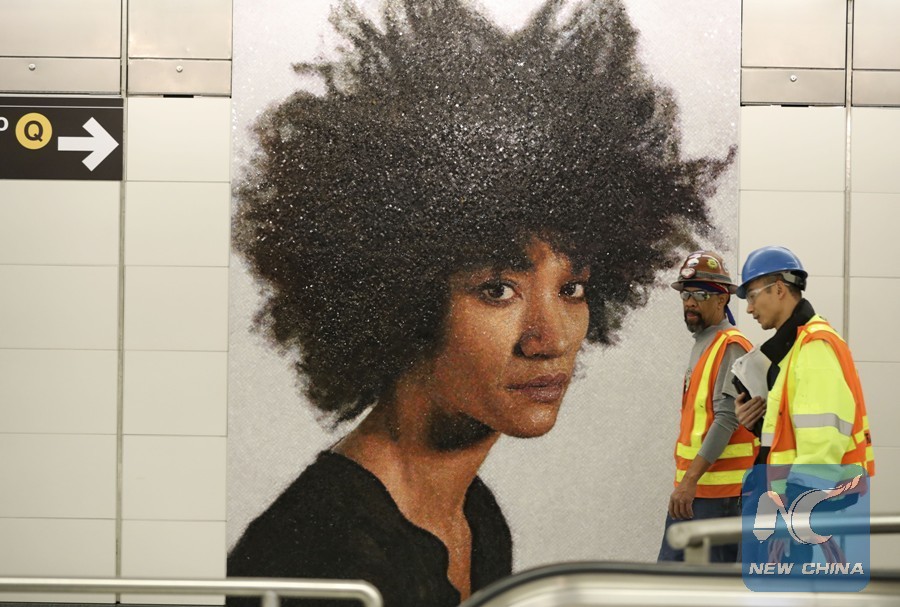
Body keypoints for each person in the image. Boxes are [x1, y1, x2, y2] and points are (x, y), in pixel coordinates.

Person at [228, 0, 733, 605]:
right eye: (498, 290)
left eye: (571, 288)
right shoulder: (319, 555)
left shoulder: (474, 518)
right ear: (399, 303)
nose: (549, 339)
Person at [734, 246, 875, 563]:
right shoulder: (796, 348)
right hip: (784, 498)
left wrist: (796, 514)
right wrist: (755, 423)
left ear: (779, 289)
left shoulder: (813, 346)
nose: (750, 308)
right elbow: (791, 435)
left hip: (794, 502)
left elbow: (822, 437)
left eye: (752, 296)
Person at [656, 251, 758, 562]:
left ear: (722, 299)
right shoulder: (706, 342)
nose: (690, 302)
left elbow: (726, 420)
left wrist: (689, 481)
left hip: (716, 495)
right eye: (686, 294)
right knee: (677, 582)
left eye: (700, 295)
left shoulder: (731, 346)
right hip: (700, 492)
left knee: (692, 583)